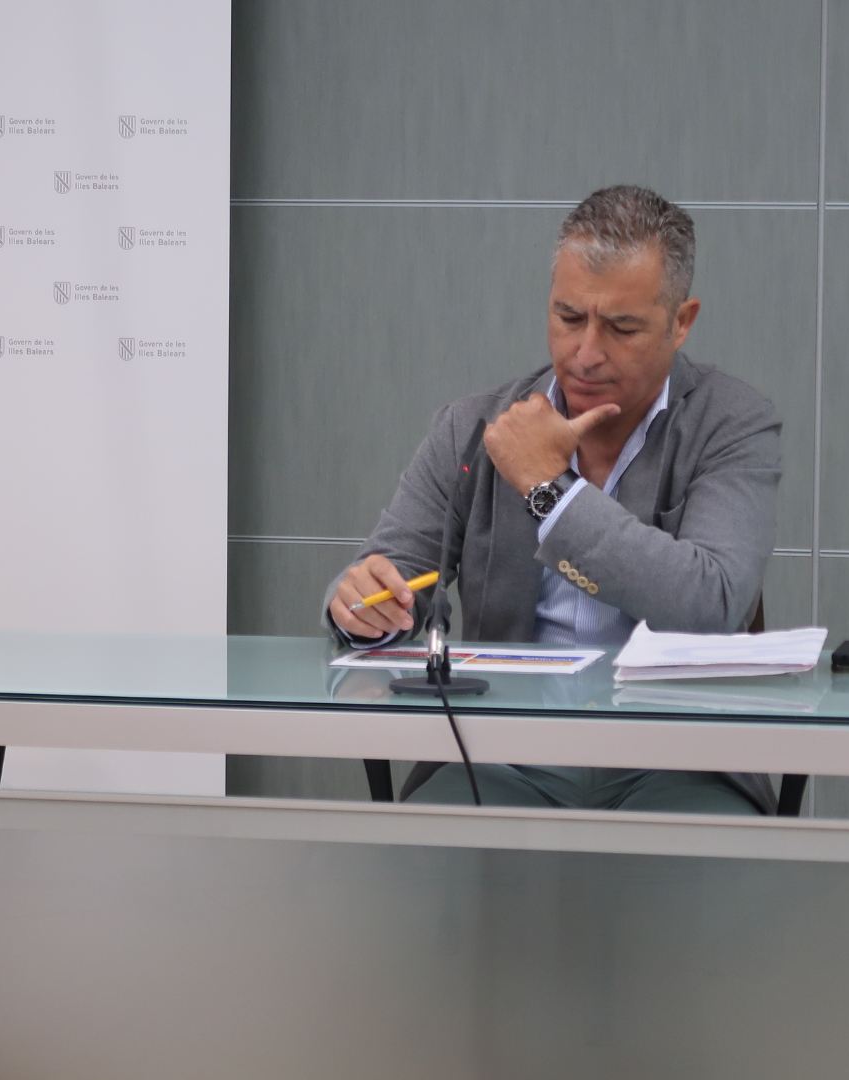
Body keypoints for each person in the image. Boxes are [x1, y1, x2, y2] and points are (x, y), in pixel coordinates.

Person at [323, 186, 782, 813]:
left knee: (695, 886)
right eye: (569, 318)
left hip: (680, 758)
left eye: (621, 327)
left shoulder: (733, 424)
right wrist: (357, 606)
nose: (586, 353)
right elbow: (391, 576)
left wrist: (549, 490)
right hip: (502, 752)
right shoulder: (474, 427)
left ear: (682, 322)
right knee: (434, 869)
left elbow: (711, 603)